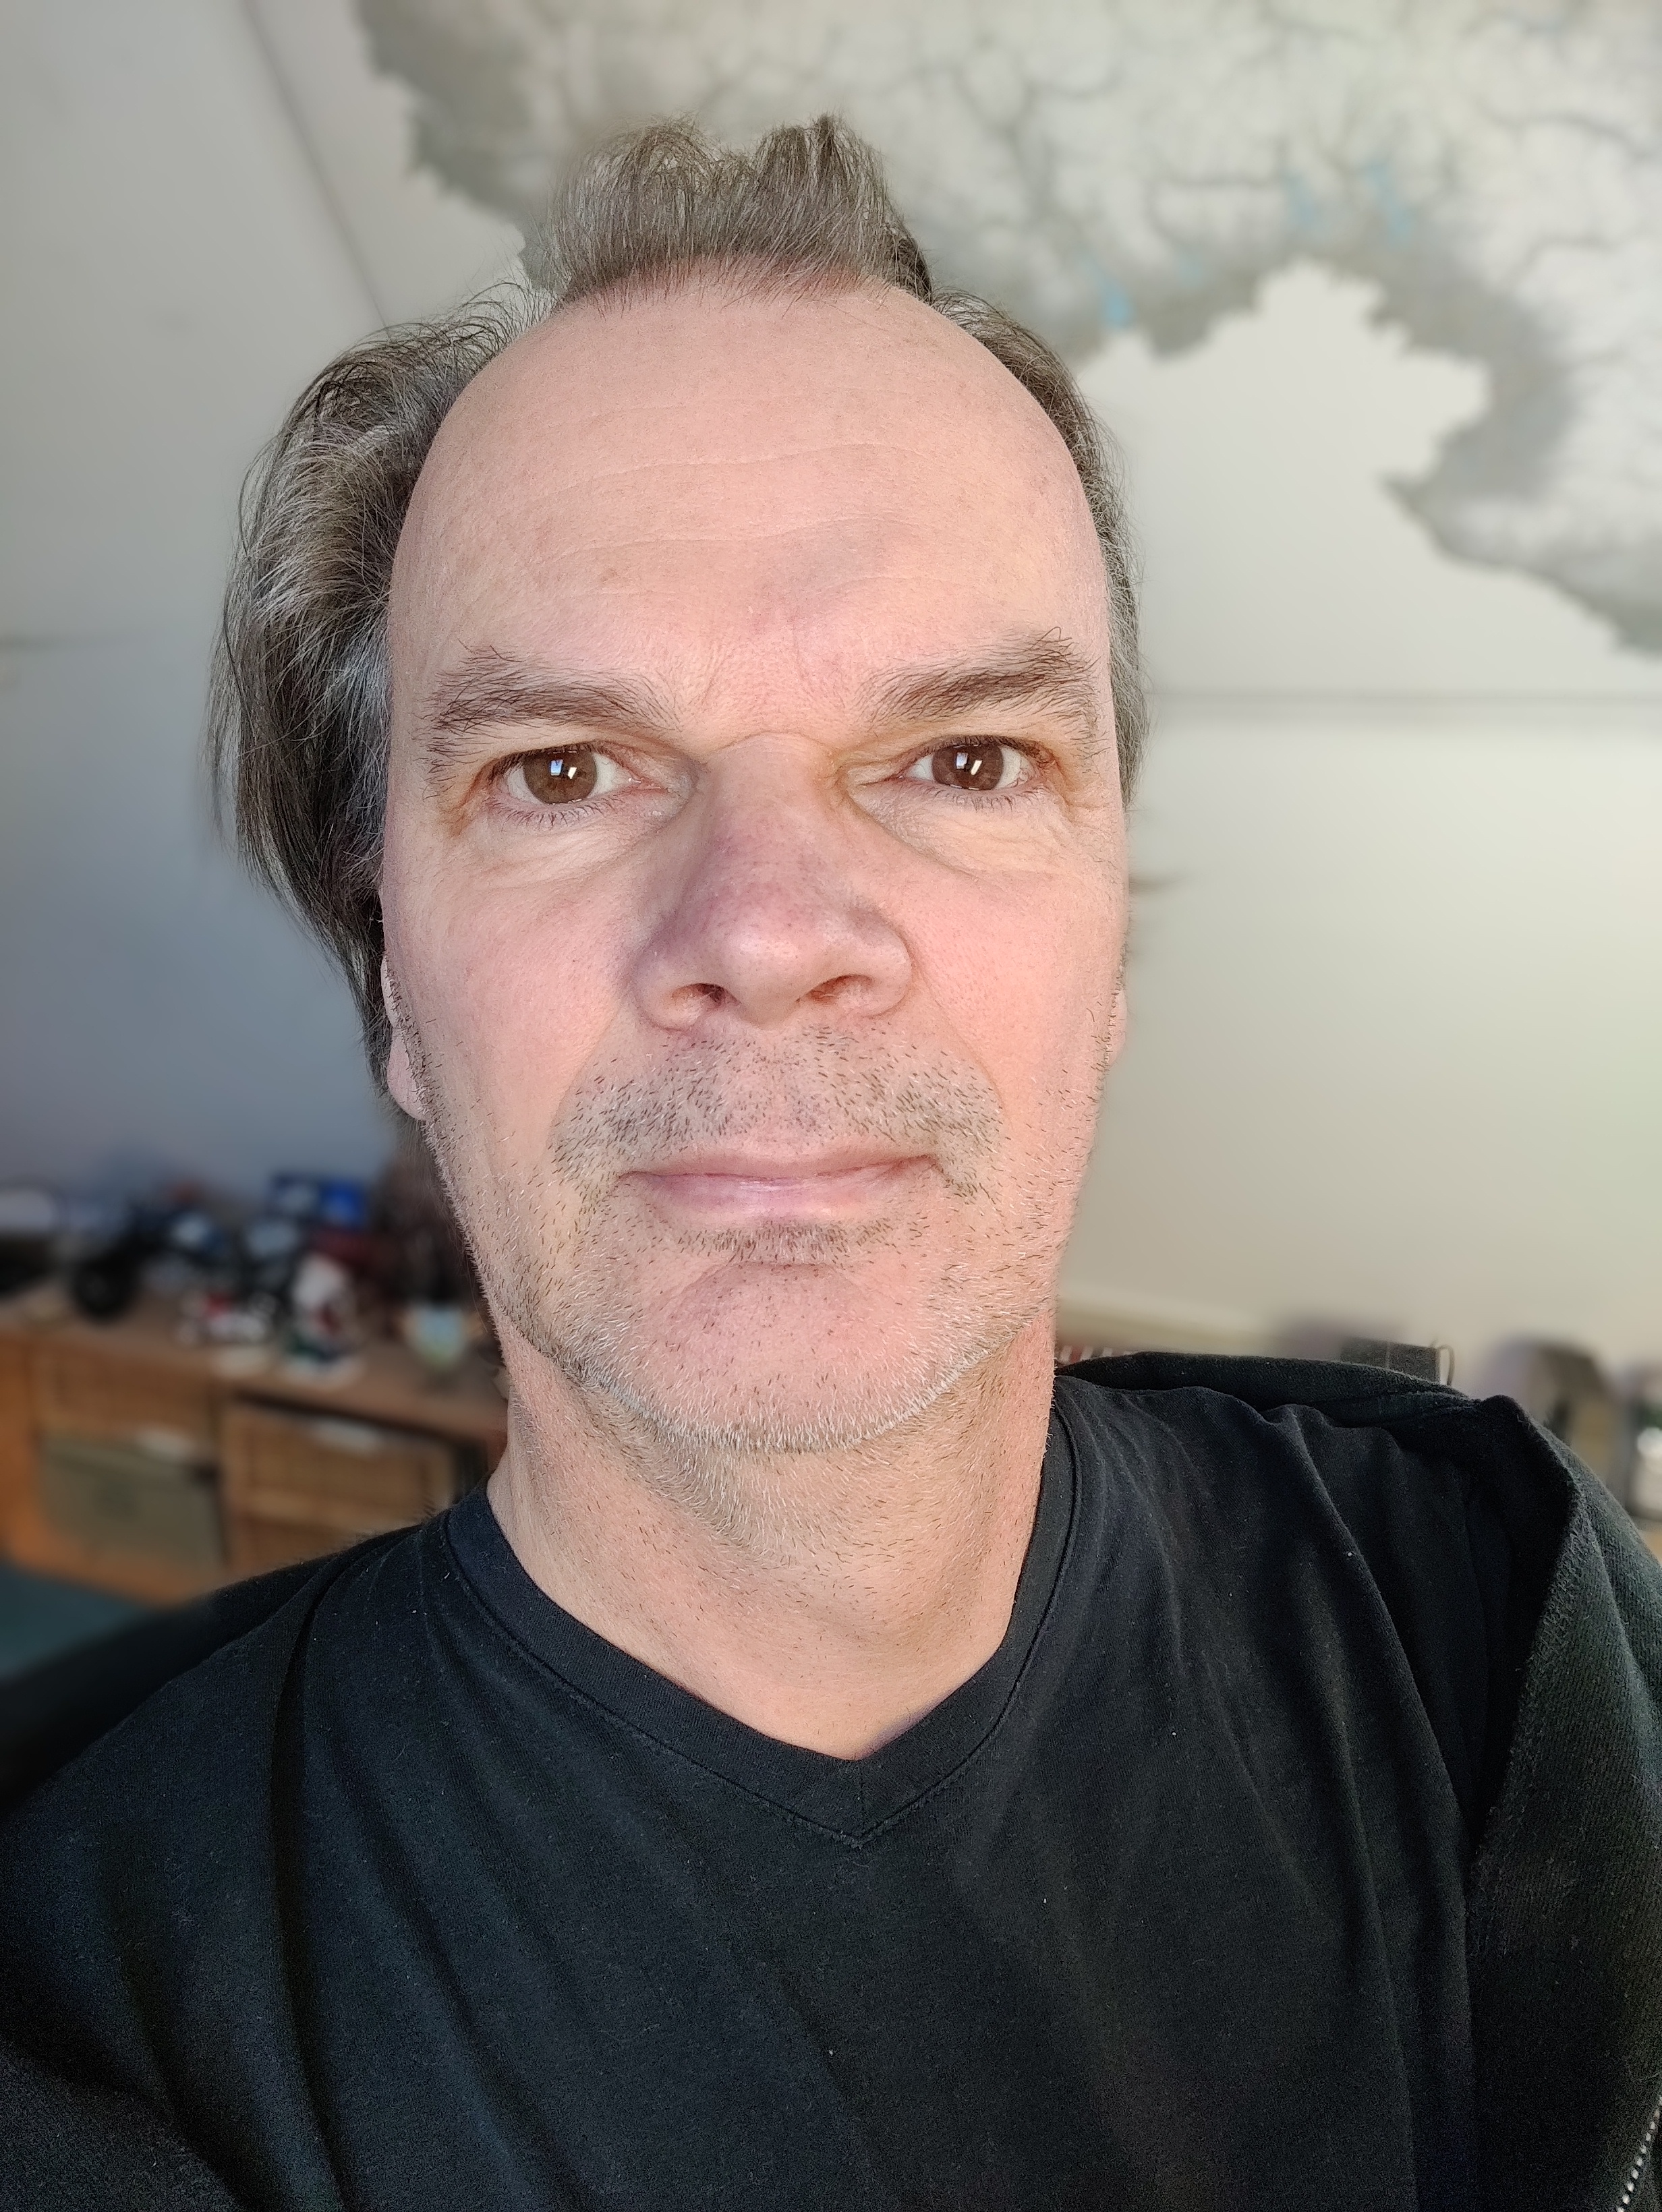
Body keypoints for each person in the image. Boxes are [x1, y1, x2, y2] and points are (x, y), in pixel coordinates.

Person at [2, 117, 1659, 2212]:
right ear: (395, 983)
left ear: (1107, 952)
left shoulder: (1497, 1624)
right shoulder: (88, 2000)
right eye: (563, 769)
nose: (772, 930)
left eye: (964, 758)